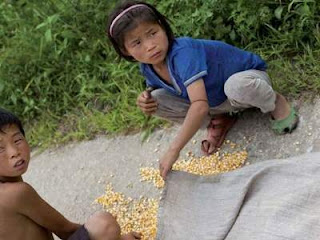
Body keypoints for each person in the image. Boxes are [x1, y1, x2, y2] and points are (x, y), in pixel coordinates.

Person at [106, 0, 299, 180]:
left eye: (152, 33)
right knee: (156, 99)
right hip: (217, 101)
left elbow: (199, 106)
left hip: (246, 81)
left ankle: (275, 101)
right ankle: (220, 119)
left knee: (236, 87)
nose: (150, 46)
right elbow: (164, 87)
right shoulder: (147, 66)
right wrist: (145, 99)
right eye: (137, 43)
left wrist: (174, 149)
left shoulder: (183, 52)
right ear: (125, 50)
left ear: (162, 26)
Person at [0, 108, 141, 240]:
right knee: (104, 225)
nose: (14, 152)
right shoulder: (16, 193)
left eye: (17, 140)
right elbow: (65, 230)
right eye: (0, 149)